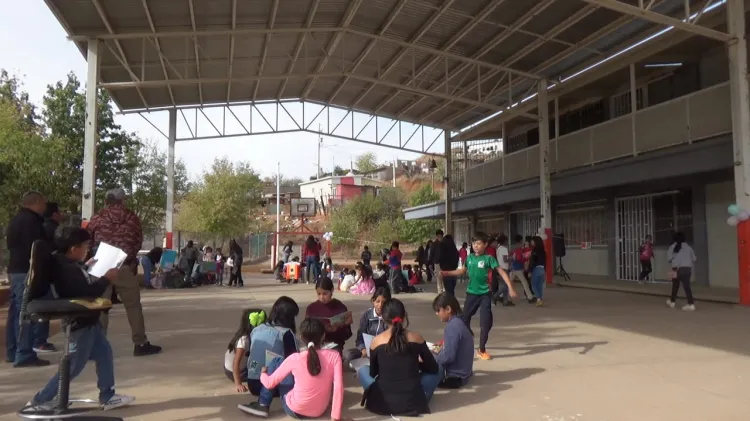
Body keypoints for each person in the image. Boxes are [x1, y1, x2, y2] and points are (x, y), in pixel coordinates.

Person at [26, 227, 135, 411]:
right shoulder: (68, 270)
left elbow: (75, 282)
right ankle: (41, 400)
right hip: (81, 322)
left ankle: (107, 395)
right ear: (73, 249)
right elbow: (87, 293)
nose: (87, 250)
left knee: (104, 353)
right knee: (74, 365)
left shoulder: (63, 263)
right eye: (85, 246)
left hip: (88, 321)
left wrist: (85, 266)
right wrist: (106, 279)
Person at [88, 187, 161, 357]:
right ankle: (140, 343)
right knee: (133, 306)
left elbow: (88, 238)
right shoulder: (132, 218)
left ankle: (97, 346)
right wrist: (130, 256)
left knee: (99, 305)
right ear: (122, 200)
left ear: (107, 200)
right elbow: (138, 240)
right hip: (124, 265)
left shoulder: (97, 218)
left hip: (101, 266)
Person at [238, 318, 346, 420]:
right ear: (323, 336)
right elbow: (338, 387)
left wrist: (263, 374)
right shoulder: (334, 356)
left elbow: (269, 383)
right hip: (319, 410)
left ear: (301, 337)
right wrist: (335, 417)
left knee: (277, 361)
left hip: (294, 410)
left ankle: (263, 404)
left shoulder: (295, 358)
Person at [357, 299, 441, 416]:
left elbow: (373, 373)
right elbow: (433, 368)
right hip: (413, 402)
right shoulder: (417, 338)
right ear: (404, 316)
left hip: (381, 403)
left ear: (384, 318)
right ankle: (420, 395)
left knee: (363, 370)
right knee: (440, 368)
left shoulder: (376, 341)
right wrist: (417, 364)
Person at [441, 232, 517, 360]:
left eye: (479, 243)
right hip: (471, 294)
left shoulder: (489, 259)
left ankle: (481, 349)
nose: (476, 246)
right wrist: (447, 273)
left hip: (485, 295)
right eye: (474, 243)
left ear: (485, 244)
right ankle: (459, 343)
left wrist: (510, 288)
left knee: (486, 322)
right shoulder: (469, 258)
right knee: (463, 320)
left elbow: (502, 272)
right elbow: (462, 271)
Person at [5, 191, 54, 367]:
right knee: (24, 312)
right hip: (27, 270)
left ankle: (14, 351)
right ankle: (24, 352)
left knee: (16, 312)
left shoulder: (17, 220)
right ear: (36, 202)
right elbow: (35, 248)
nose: (45, 207)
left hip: (16, 270)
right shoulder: (31, 222)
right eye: (43, 203)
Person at [244, 297, 300, 406]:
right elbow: (293, 359)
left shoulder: (257, 329)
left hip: (252, 382)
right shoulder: (286, 333)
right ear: (289, 318)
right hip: (273, 386)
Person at [432, 293, 474, 388]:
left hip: (456, 376)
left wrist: (429, 359)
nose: (437, 313)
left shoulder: (452, 327)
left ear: (448, 309)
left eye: (438, 310)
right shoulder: (460, 321)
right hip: (465, 372)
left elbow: (448, 356)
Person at [344, 286, 391, 365]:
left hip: (383, 350)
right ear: (373, 301)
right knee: (349, 355)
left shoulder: (389, 317)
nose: (380, 305)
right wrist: (363, 349)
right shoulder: (367, 315)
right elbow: (359, 338)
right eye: (377, 301)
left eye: (384, 302)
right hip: (367, 349)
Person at [305, 277, 353, 350]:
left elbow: (347, 334)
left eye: (325, 294)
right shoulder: (311, 308)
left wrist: (341, 326)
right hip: (315, 346)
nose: (321, 297)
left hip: (335, 345)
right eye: (319, 294)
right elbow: (306, 331)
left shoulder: (340, 307)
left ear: (332, 290)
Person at [226, 308, 266, 391]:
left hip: (239, 367)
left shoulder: (250, 336)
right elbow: (236, 362)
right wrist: (238, 384)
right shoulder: (244, 340)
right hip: (236, 371)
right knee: (260, 364)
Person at [666, 232, 697, 311]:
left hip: (675, 269)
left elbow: (669, 259)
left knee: (675, 286)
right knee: (687, 287)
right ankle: (691, 304)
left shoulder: (672, 247)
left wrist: (675, 257)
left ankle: (672, 302)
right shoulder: (689, 247)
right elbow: (694, 259)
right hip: (687, 269)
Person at [510, 235, 534, 302]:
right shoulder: (519, 247)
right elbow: (519, 258)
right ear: (520, 240)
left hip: (513, 267)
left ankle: (501, 296)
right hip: (518, 267)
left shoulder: (512, 247)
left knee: (509, 282)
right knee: (525, 282)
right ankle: (530, 297)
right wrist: (524, 261)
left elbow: (511, 256)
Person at [494, 235, 514, 306]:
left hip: (499, 268)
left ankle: (505, 301)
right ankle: (495, 296)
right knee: (505, 286)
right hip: (504, 269)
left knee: (503, 286)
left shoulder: (498, 248)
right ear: (504, 241)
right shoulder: (504, 249)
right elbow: (505, 259)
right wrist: (511, 258)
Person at [528, 236, 547, 307]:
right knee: (539, 285)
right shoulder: (543, 250)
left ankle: (539, 299)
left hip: (536, 269)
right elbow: (545, 261)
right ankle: (540, 299)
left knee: (534, 285)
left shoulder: (534, 250)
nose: (531, 242)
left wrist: (530, 270)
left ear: (535, 241)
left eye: (532, 241)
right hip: (542, 269)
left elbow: (532, 262)